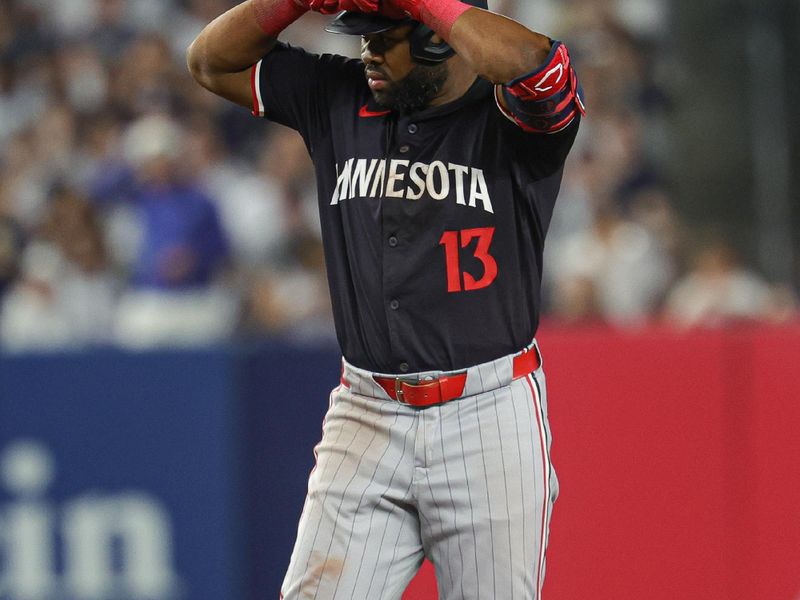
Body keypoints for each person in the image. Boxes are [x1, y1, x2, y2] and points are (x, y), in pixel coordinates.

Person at [188, 0, 583, 597]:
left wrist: (425, 2)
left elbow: (539, 65)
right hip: (367, 409)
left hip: (488, 415)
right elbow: (209, 61)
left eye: (384, 34)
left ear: (437, 39)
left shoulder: (509, 118)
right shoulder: (339, 95)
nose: (365, 50)